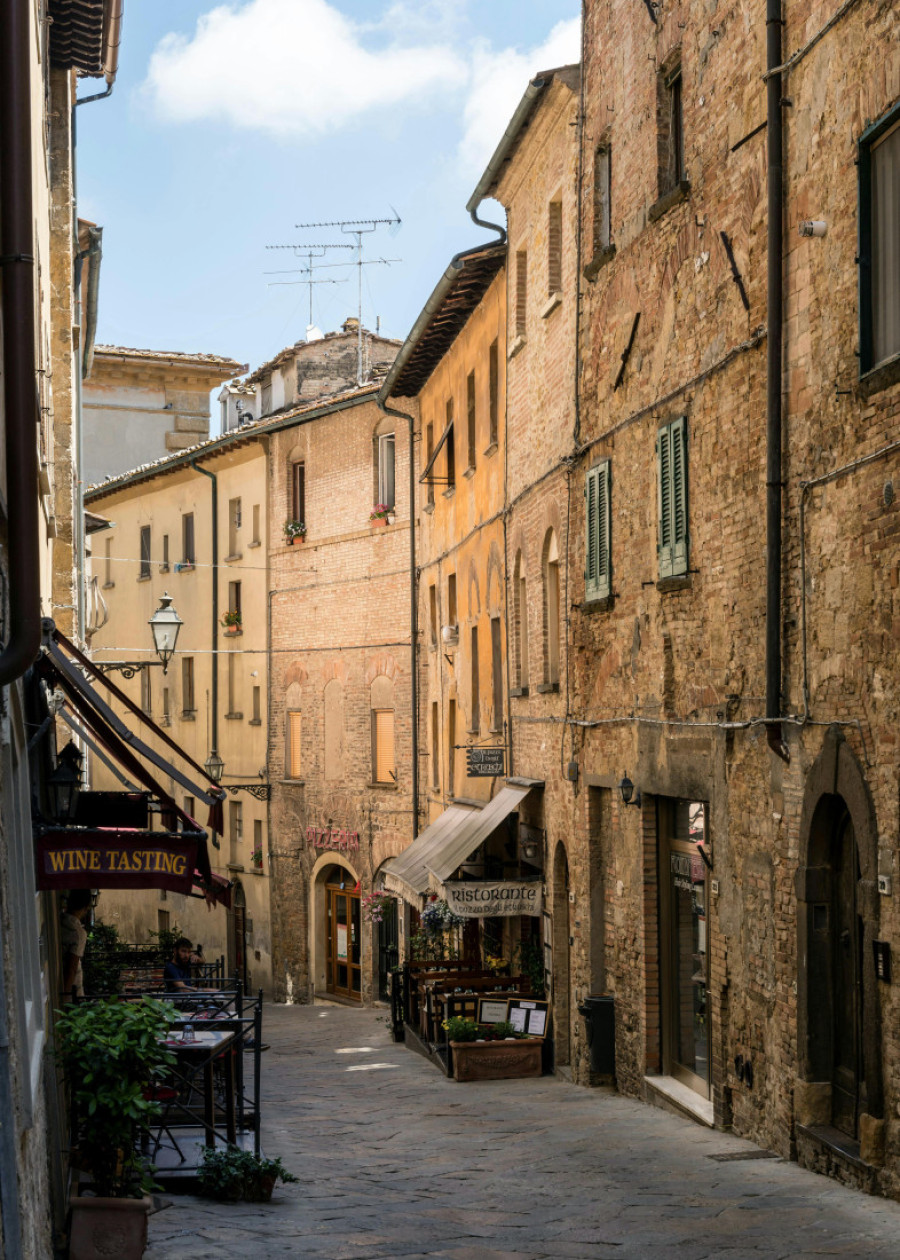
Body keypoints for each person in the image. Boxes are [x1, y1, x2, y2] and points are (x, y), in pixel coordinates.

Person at [61, 889, 92, 999]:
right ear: (86, 907)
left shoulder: (58, 920)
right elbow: (72, 968)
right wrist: (65, 998)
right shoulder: (78, 933)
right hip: (72, 990)